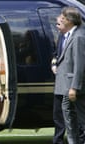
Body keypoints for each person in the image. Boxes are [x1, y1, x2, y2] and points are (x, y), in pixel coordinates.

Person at [53, 7, 85, 144]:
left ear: (70, 21)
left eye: (63, 18)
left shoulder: (78, 37)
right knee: (69, 119)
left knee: (80, 119)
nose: (60, 19)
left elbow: (79, 64)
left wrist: (74, 87)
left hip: (72, 87)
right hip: (65, 86)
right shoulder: (70, 34)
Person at [51, 15, 66, 144]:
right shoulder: (61, 37)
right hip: (60, 82)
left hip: (71, 82)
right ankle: (58, 140)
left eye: (58, 24)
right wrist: (54, 64)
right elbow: (56, 54)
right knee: (58, 115)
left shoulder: (78, 37)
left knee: (75, 116)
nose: (56, 27)